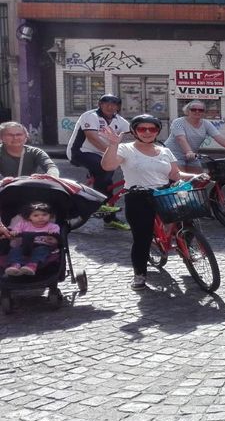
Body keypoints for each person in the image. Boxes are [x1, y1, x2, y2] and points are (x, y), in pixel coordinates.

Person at [100, 114, 206, 290]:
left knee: (188, 217)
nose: (148, 132)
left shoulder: (164, 151)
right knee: (142, 237)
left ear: (158, 131)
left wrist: (196, 176)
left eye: (152, 129)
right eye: (142, 129)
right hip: (138, 196)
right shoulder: (125, 149)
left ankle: (188, 247)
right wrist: (113, 144)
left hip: (164, 194)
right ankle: (139, 274)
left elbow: (175, 174)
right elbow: (108, 166)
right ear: (134, 131)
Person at [66, 94, 130, 230]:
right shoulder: (90, 116)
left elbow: (134, 133)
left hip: (101, 155)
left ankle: (109, 220)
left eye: (113, 104)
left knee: (107, 183)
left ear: (118, 107)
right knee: (105, 168)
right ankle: (99, 204)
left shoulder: (119, 120)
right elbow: (93, 138)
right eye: (106, 104)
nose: (110, 107)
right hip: (80, 152)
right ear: (100, 105)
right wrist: (112, 153)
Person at [165, 100, 225, 173]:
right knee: (180, 176)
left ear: (204, 112)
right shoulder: (178, 122)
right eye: (193, 109)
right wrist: (189, 152)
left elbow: (218, 137)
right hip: (174, 154)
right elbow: (181, 139)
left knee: (200, 177)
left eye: (200, 110)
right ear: (188, 111)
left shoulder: (206, 124)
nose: (197, 111)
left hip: (192, 155)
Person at [3, 202, 60, 276]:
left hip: (44, 245)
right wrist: (14, 232)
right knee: (15, 250)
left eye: (44, 215)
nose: (41, 217)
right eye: (36, 215)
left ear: (50, 215)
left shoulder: (53, 226)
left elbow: (55, 238)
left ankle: (32, 265)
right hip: (25, 244)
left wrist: (52, 236)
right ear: (29, 217)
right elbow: (16, 230)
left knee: (41, 251)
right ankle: (15, 264)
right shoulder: (23, 224)